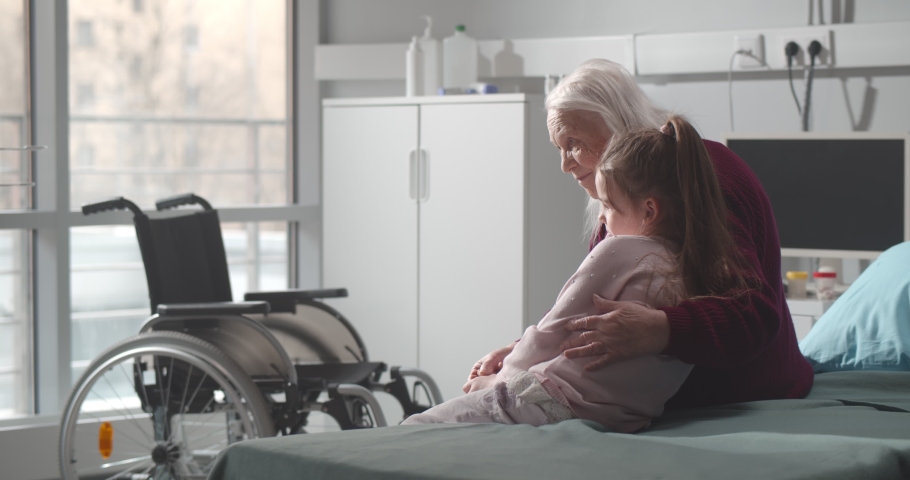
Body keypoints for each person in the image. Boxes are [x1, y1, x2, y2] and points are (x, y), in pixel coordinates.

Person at [470, 59, 814, 409]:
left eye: (574, 143)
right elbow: (596, 311)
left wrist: (665, 329)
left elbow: (754, 314)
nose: (565, 164)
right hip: (660, 405)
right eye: (559, 148)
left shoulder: (707, 175)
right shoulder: (618, 206)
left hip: (744, 397)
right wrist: (524, 350)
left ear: (618, 123)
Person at [403, 115, 755, 431]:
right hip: (622, 420)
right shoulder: (700, 269)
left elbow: (553, 331)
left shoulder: (620, 251)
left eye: (607, 204)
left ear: (649, 210)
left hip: (544, 403)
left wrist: (498, 381)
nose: (601, 218)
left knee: (417, 425)